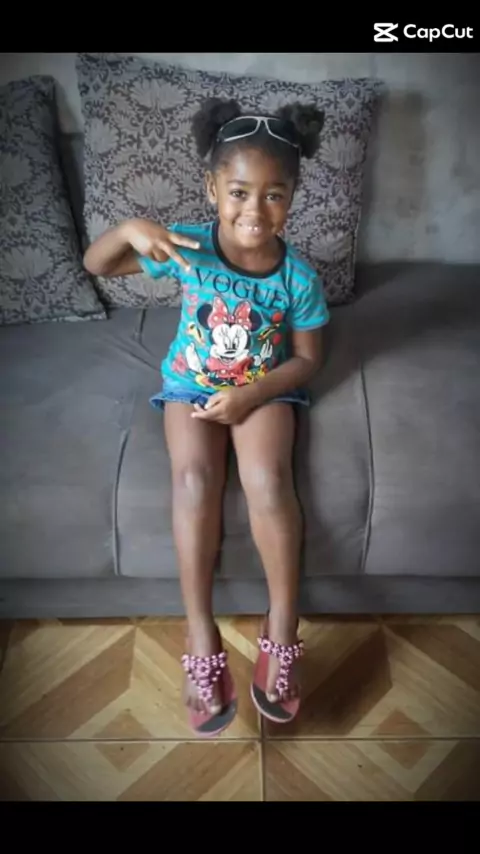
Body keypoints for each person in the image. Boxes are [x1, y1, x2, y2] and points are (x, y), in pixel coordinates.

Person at [83, 96, 330, 735]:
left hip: (263, 391)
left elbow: (307, 359)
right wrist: (130, 228)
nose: (255, 211)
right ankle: (200, 631)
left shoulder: (298, 277)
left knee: (268, 481)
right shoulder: (187, 245)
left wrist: (252, 395)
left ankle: (283, 624)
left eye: (274, 195)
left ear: (293, 197)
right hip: (189, 387)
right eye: (239, 192)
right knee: (194, 481)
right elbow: (98, 264)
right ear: (212, 188)